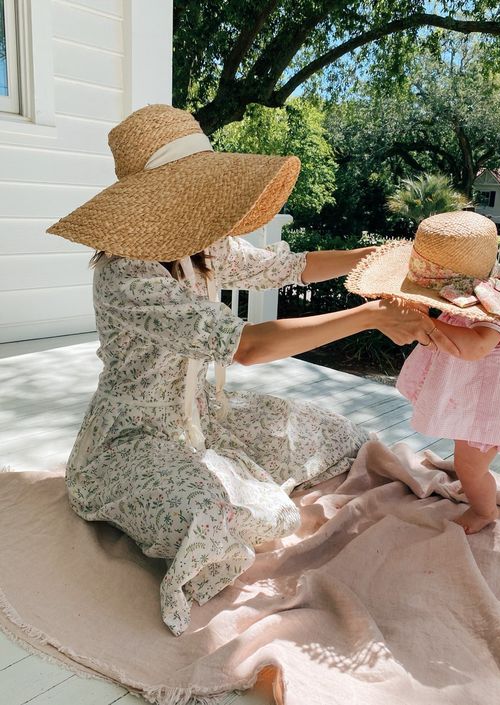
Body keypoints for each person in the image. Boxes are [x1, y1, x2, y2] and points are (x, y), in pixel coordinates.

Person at [46, 104, 456, 635]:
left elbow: (288, 267)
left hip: (202, 418)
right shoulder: (126, 276)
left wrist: (379, 258)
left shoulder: (200, 245)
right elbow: (246, 347)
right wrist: (370, 315)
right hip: (131, 439)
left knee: (327, 431)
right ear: (158, 196)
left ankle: (231, 479)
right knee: (213, 515)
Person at [346, 210, 500, 534]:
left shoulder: (497, 308)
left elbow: (475, 347)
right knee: (467, 458)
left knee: (468, 465)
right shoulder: (463, 303)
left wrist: (425, 323)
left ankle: (484, 510)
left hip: (492, 406)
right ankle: (474, 485)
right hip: (473, 394)